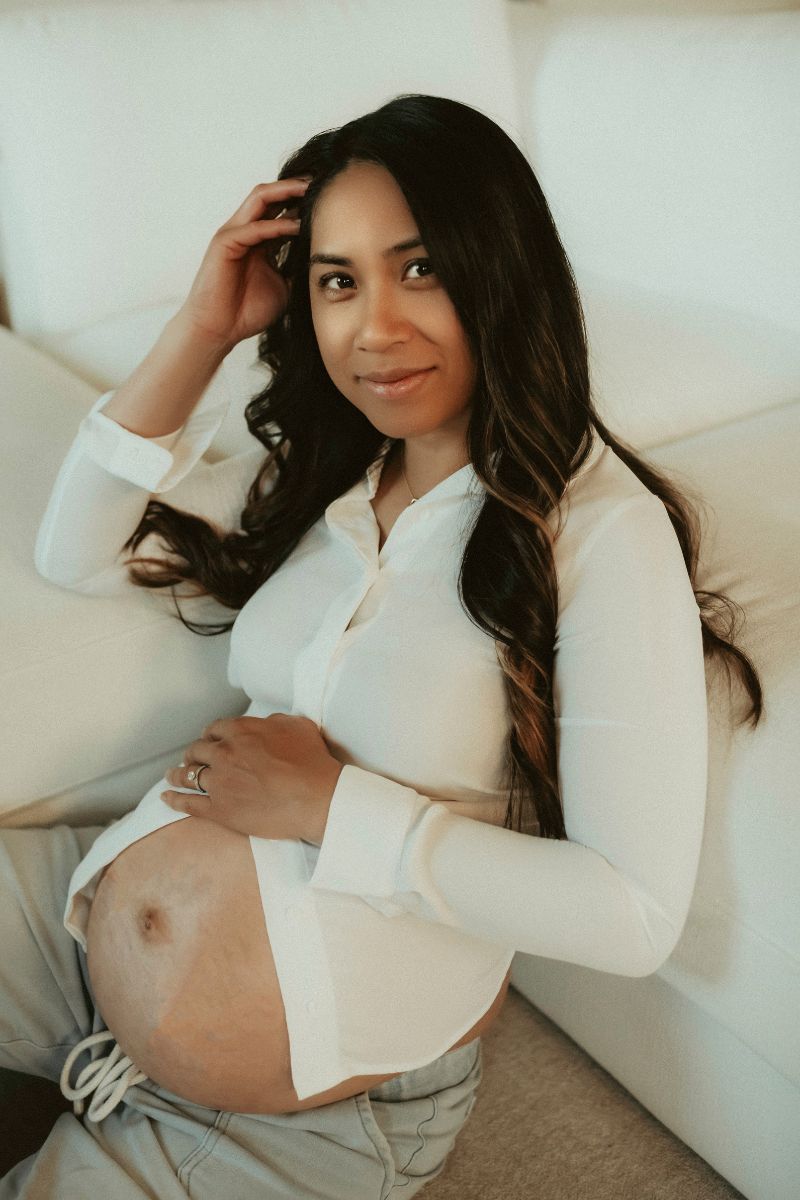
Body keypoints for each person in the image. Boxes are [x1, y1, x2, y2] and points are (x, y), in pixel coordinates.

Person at [3, 93, 762, 1198]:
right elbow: (77, 551)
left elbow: (629, 911)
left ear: (499, 270)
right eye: (336, 280)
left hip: (314, 1108)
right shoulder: (338, 467)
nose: (373, 329)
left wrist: (331, 809)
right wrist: (205, 325)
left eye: (419, 270)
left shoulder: (597, 534)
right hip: (84, 924)